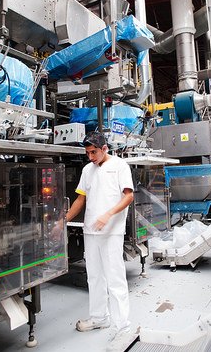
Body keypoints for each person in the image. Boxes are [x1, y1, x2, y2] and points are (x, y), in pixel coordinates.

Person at [55, 131, 135, 351]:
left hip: (111, 232)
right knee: (95, 277)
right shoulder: (87, 170)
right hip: (91, 231)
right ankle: (100, 318)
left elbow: (128, 196)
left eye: (94, 152)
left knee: (115, 279)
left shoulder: (120, 166)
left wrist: (108, 214)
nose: (90, 156)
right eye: (87, 153)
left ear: (104, 149)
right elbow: (80, 199)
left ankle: (123, 326)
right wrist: (63, 220)